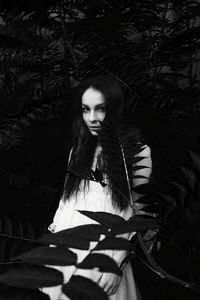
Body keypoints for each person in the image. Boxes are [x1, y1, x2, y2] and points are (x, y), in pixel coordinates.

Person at [42, 75, 152, 300]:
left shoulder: (137, 153)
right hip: (68, 244)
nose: (91, 118)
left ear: (114, 109)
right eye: (85, 109)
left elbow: (138, 214)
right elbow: (66, 200)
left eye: (100, 109)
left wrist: (117, 262)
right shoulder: (79, 150)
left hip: (106, 250)